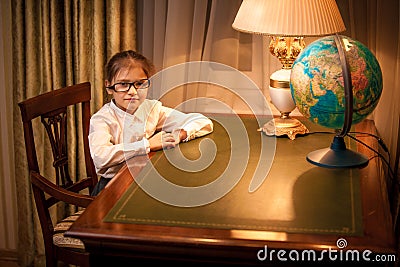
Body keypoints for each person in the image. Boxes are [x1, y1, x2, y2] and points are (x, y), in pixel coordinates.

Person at [88, 50, 214, 196]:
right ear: (109, 86)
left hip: (146, 180)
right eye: (123, 84)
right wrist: (147, 144)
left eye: (140, 84)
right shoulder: (102, 119)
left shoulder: (151, 109)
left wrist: (181, 134)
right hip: (112, 187)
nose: (133, 92)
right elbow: (101, 157)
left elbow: (203, 122)